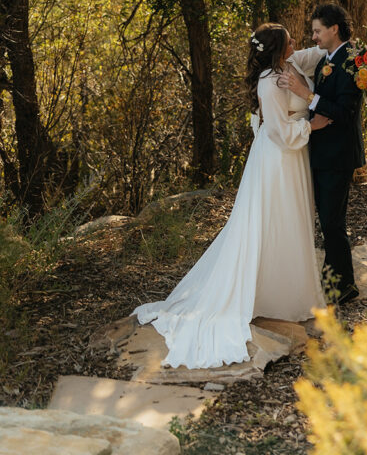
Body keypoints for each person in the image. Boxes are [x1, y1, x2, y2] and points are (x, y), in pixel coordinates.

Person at [132, 23, 330, 369]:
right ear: (277, 48)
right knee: (273, 221)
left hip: (293, 158)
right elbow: (279, 131)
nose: (296, 43)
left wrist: (351, 51)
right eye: (289, 40)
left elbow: (319, 53)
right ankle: (263, 295)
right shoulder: (270, 81)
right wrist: (311, 125)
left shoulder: (290, 65)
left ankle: (288, 294)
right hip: (278, 160)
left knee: (290, 222)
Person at [278, 2, 365, 305]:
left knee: (332, 222)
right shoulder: (329, 58)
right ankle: (332, 282)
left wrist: (307, 95)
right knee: (327, 221)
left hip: (338, 155)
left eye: (317, 31)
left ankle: (344, 287)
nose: (313, 37)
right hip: (321, 153)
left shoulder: (352, 62)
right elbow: (293, 56)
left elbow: (344, 111)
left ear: (333, 29)